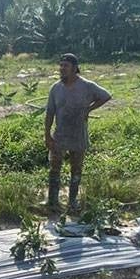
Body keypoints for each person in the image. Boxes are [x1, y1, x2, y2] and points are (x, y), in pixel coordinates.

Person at [44, 53, 111, 213]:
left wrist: (89, 109)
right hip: (59, 135)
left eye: (65, 66)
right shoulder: (56, 88)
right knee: (54, 168)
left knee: (76, 169)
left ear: (74, 69)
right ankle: (53, 203)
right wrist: (47, 135)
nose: (62, 69)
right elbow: (49, 113)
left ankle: (72, 203)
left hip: (78, 135)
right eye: (61, 66)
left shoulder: (87, 86)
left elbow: (106, 96)